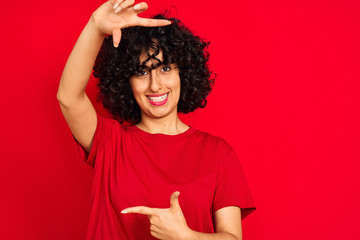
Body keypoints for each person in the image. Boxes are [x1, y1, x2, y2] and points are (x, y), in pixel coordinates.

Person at [57, 0, 256, 239]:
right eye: (141, 72)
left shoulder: (218, 154)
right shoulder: (110, 142)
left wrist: (185, 236)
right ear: (125, 81)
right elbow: (68, 98)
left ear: (183, 72)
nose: (155, 85)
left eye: (165, 69)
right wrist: (95, 27)